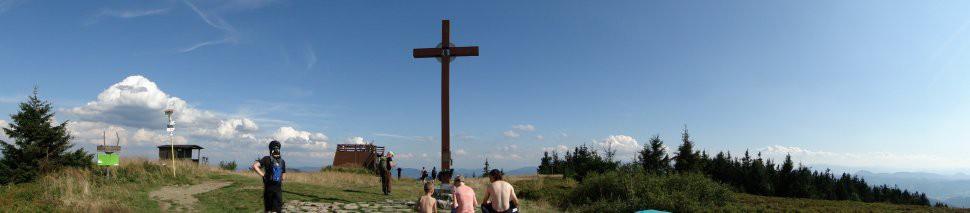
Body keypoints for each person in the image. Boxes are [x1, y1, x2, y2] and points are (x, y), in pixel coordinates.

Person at [251, 140, 287, 213]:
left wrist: (264, 175)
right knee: (276, 210)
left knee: (267, 210)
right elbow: (283, 177)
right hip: (278, 189)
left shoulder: (266, 159)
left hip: (268, 188)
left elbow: (255, 166)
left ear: (270, 149)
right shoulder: (282, 161)